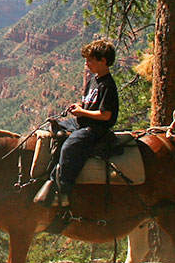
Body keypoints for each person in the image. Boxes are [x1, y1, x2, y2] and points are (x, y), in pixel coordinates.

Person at [35, 39, 119, 208]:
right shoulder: (93, 81)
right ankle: (48, 173)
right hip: (82, 121)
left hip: (96, 128)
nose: (86, 64)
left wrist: (82, 112)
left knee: (70, 147)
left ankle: (63, 190)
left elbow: (105, 115)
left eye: (90, 60)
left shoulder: (107, 85)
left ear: (103, 60)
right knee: (52, 130)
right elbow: (89, 104)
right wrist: (80, 107)